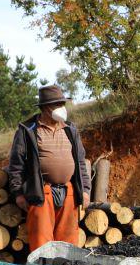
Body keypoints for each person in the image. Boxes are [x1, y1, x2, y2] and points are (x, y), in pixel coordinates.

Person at [7, 84, 92, 252]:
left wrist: (86, 190)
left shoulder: (70, 129)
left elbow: (80, 161)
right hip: (41, 192)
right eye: (57, 105)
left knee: (68, 241)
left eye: (62, 104)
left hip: (68, 192)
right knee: (42, 240)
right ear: (46, 108)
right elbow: (17, 164)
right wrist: (18, 193)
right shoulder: (28, 130)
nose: (62, 108)